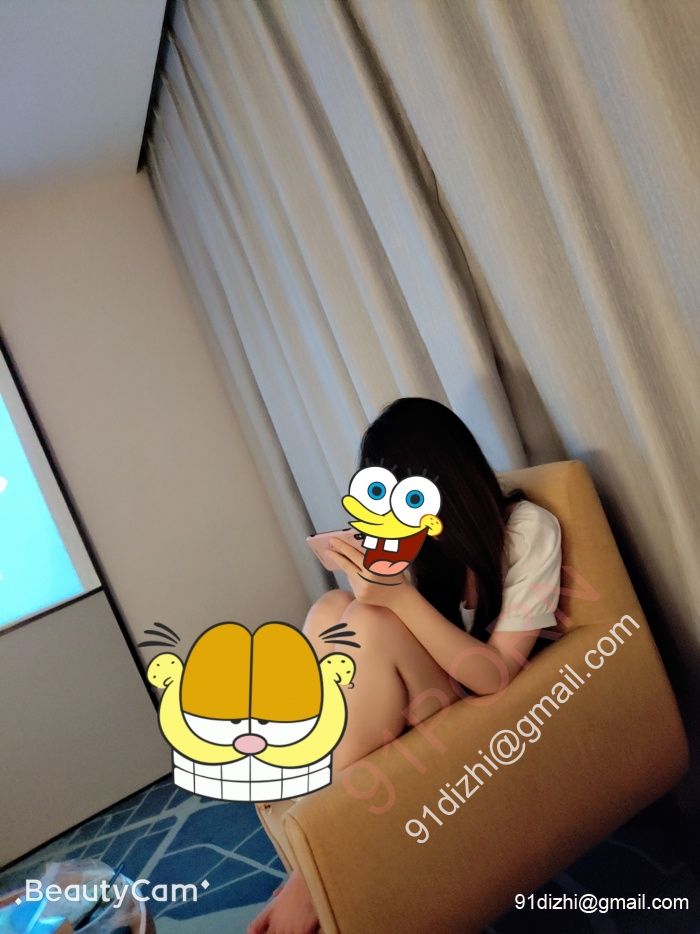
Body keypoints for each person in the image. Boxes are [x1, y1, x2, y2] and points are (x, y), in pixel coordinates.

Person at [248, 397, 562, 934]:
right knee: (331, 608)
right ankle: (319, 819)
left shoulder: (528, 530)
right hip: (433, 696)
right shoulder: (421, 546)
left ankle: (318, 858)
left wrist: (395, 597)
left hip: (483, 708)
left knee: (369, 621)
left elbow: (494, 676)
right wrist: (374, 577)